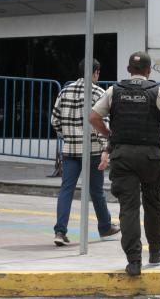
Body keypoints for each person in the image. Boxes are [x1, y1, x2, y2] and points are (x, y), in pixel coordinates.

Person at [90, 51, 160, 276]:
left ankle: (134, 261)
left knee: (129, 209)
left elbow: (93, 117)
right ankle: (155, 251)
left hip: (122, 157)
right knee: (153, 205)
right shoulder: (159, 92)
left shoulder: (114, 91)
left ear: (128, 70)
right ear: (148, 71)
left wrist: (109, 134)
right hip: (151, 158)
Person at [51, 59, 120, 246]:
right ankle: (105, 227)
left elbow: (54, 120)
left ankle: (60, 231)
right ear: (96, 72)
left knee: (66, 189)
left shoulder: (65, 91)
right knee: (96, 191)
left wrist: (66, 134)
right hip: (93, 151)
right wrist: (107, 147)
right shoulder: (99, 92)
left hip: (70, 150)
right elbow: (103, 124)